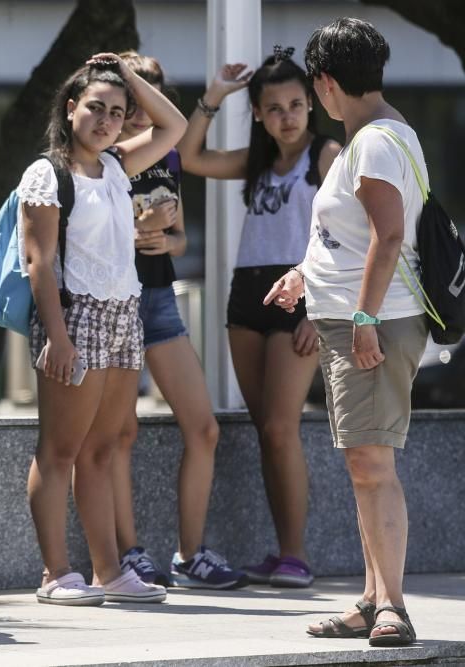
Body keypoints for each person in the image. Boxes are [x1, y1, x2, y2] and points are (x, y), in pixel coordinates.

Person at [265, 17, 428, 646]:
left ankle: (392, 609)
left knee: (371, 464)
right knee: (365, 464)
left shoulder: (375, 141)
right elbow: (359, 235)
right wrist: (307, 275)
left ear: (326, 82)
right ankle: (371, 599)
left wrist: (360, 318)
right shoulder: (378, 136)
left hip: (374, 325)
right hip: (358, 321)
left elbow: (390, 236)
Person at [21, 53, 186, 606]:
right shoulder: (47, 173)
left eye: (117, 112)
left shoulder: (118, 165)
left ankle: (108, 572)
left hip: (123, 315)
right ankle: (55, 574)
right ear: (71, 109)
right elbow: (39, 262)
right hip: (76, 316)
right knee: (60, 449)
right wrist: (58, 337)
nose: (106, 120)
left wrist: (127, 76)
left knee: (104, 447)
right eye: (95, 107)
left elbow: (175, 126)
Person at [177, 48, 341, 588]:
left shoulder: (326, 154)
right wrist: (215, 96)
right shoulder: (254, 160)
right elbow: (190, 157)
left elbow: (349, 236)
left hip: (301, 294)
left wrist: (321, 307)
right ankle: (281, 551)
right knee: (266, 431)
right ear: (258, 114)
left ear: (311, 107)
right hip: (247, 294)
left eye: (297, 105)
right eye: (274, 108)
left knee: (279, 427)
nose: (288, 117)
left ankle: (295, 554)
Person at [107, 51, 246, 590]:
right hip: (114, 300)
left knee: (204, 426)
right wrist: (134, 229)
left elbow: (181, 238)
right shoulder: (109, 155)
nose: (141, 104)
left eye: (151, 90)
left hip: (159, 296)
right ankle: (129, 553)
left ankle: (190, 553)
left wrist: (162, 237)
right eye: (133, 91)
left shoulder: (166, 160)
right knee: (120, 433)